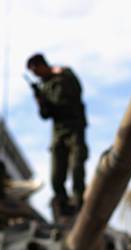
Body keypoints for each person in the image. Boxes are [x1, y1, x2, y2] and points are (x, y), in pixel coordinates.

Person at [26, 53, 88, 214]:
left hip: (74, 127)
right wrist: (39, 98)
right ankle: (62, 201)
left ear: (41, 65)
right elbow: (46, 115)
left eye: (36, 71)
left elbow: (77, 91)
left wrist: (60, 74)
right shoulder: (44, 87)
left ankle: (78, 199)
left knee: (76, 166)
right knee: (56, 174)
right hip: (58, 132)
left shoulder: (65, 74)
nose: (36, 75)